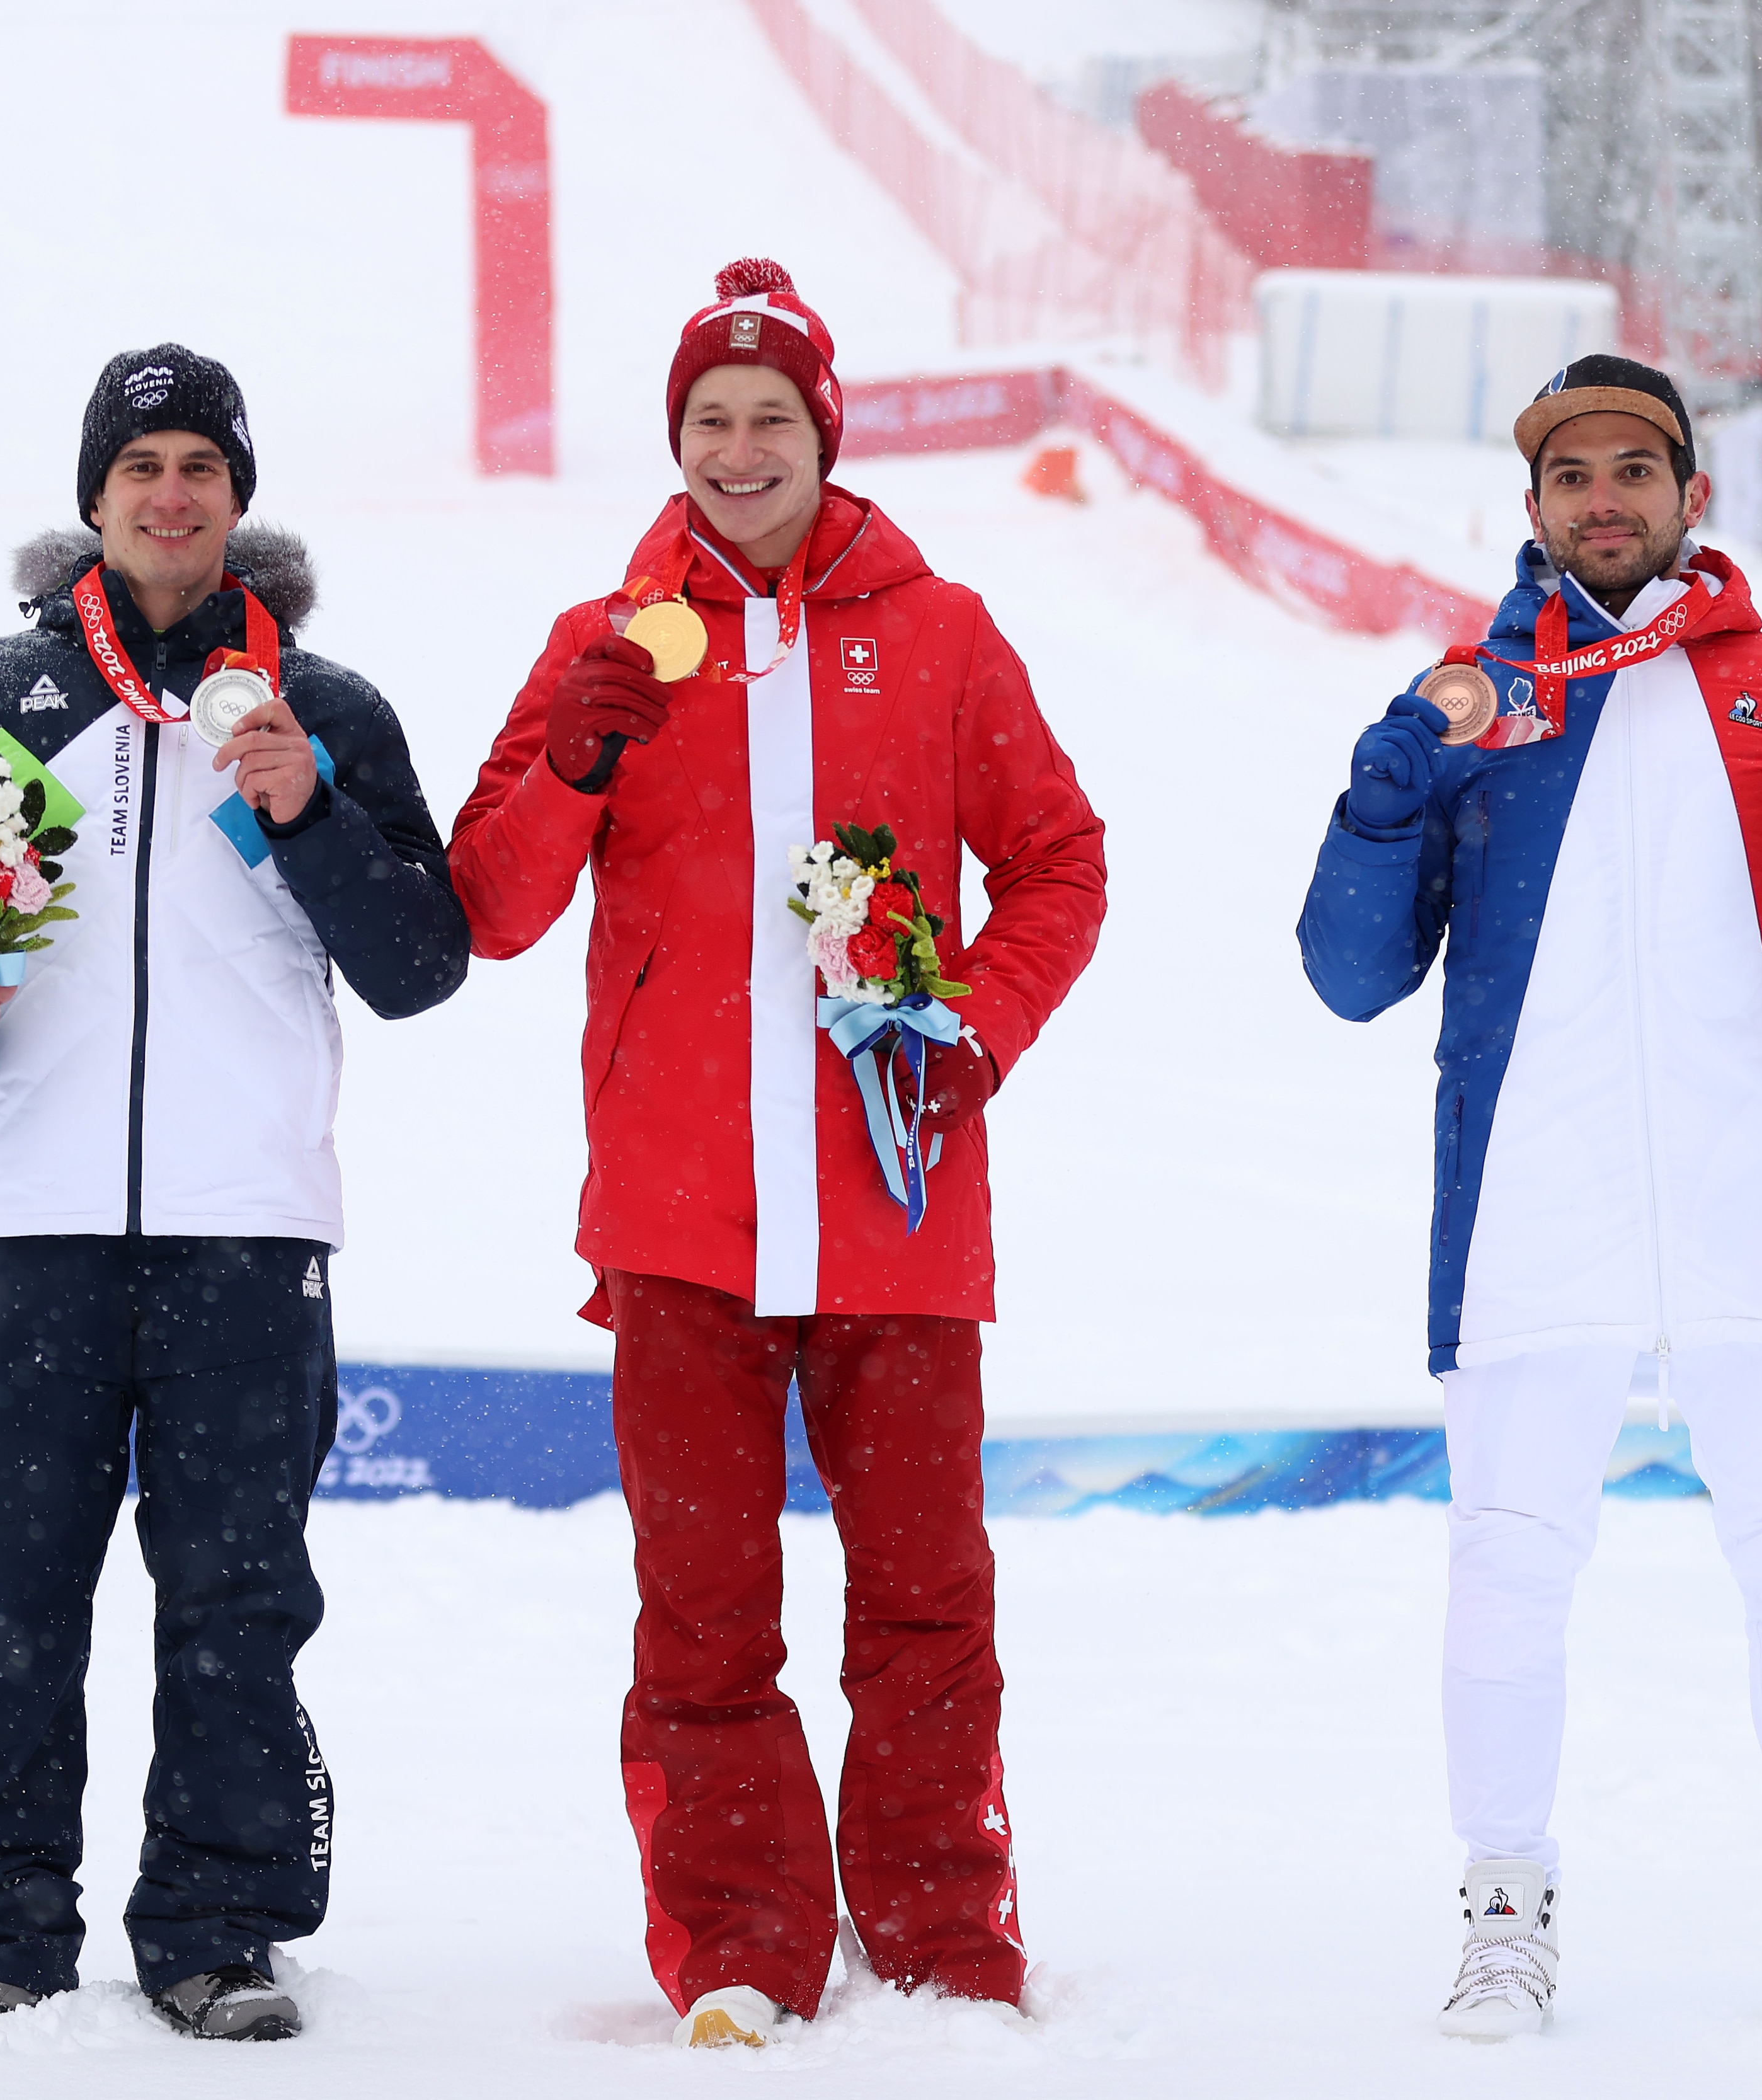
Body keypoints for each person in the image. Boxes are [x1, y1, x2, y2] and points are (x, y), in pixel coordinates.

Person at [445, 260, 1106, 2050]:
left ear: (828, 435)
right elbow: (491, 908)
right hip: (679, 1219)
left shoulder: (941, 630)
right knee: (707, 1616)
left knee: (926, 1602)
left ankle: (941, 1937)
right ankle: (740, 1941)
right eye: (711, 423)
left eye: (773, 420)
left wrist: (968, 1028)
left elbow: (1060, 861)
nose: (741, 451)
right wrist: (577, 751)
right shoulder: (609, 637)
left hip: (895, 1205)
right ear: (676, 443)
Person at [1296, 354, 1762, 2077]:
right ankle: (1504, 1910)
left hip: (1759, 1214)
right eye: (1571, 475)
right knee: (1508, 1574)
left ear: (1690, 494)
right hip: (1535, 1208)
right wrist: (1392, 777)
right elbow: (1350, 972)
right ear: (1532, 510)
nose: (1604, 499)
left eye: (1634, 470)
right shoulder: (1479, 702)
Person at [0, 345, 471, 2043]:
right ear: (93, 495)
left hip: (248, 1227)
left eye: (201, 466)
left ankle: (223, 1929)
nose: (171, 495)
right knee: (7, 1590)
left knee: (240, 1592)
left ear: (238, 498)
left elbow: (419, 964)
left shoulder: (321, 711)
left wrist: (313, 814)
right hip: (25, 1222)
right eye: (140, 466)